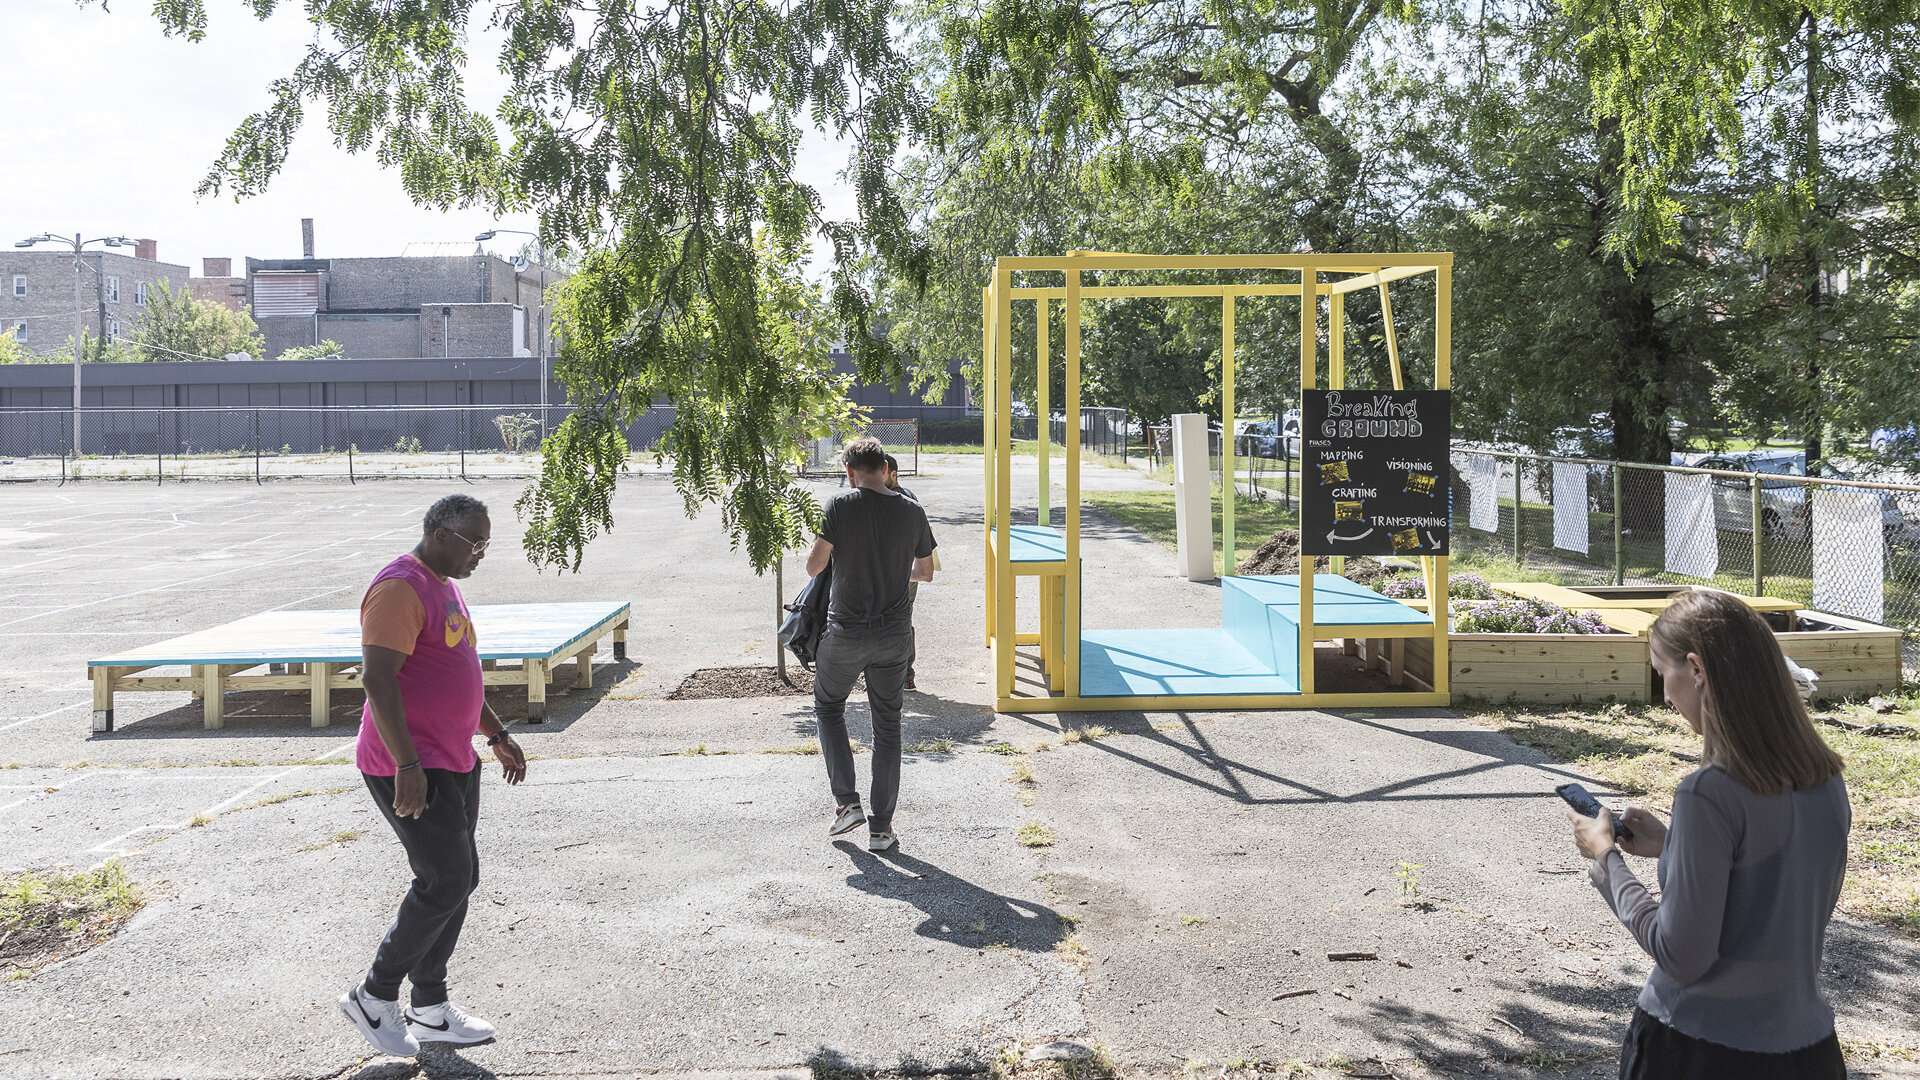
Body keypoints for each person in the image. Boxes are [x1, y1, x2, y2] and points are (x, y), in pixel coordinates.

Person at [1565, 588, 1849, 1080]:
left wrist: (1608, 859)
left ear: (1696, 669)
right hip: (1811, 1051)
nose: (1666, 696)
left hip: (1699, 1049)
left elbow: (1682, 954)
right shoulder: (1827, 779)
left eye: (1662, 674)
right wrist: (1672, 844)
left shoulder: (1709, 794)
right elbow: (1770, 878)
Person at [338, 493, 528, 1058]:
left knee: (458, 878)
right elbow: (378, 680)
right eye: (476, 542)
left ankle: (430, 1008)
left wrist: (494, 734)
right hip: (412, 763)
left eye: (486, 543)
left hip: (453, 756)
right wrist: (408, 765)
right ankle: (374, 995)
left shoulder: (445, 584)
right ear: (442, 534)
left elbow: (458, 672)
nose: (481, 554)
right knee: (444, 879)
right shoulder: (399, 587)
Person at [804, 437, 935, 852]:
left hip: (846, 633)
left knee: (828, 707)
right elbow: (926, 572)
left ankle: (847, 805)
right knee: (888, 727)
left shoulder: (840, 505)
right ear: (885, 468)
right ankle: (881, 828)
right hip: (894, 636)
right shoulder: (912, 510)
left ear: (850, 472)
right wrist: (896, 574)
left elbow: (814, 565)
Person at [883, 452, 937, 692]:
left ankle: (905, 675)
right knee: (899, 621)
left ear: (893, 474)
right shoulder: (899, 496)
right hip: (897, 572)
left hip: (903, 574)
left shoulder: (903, 499)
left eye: (881, 473)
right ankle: (901, 675)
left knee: (900, 622)